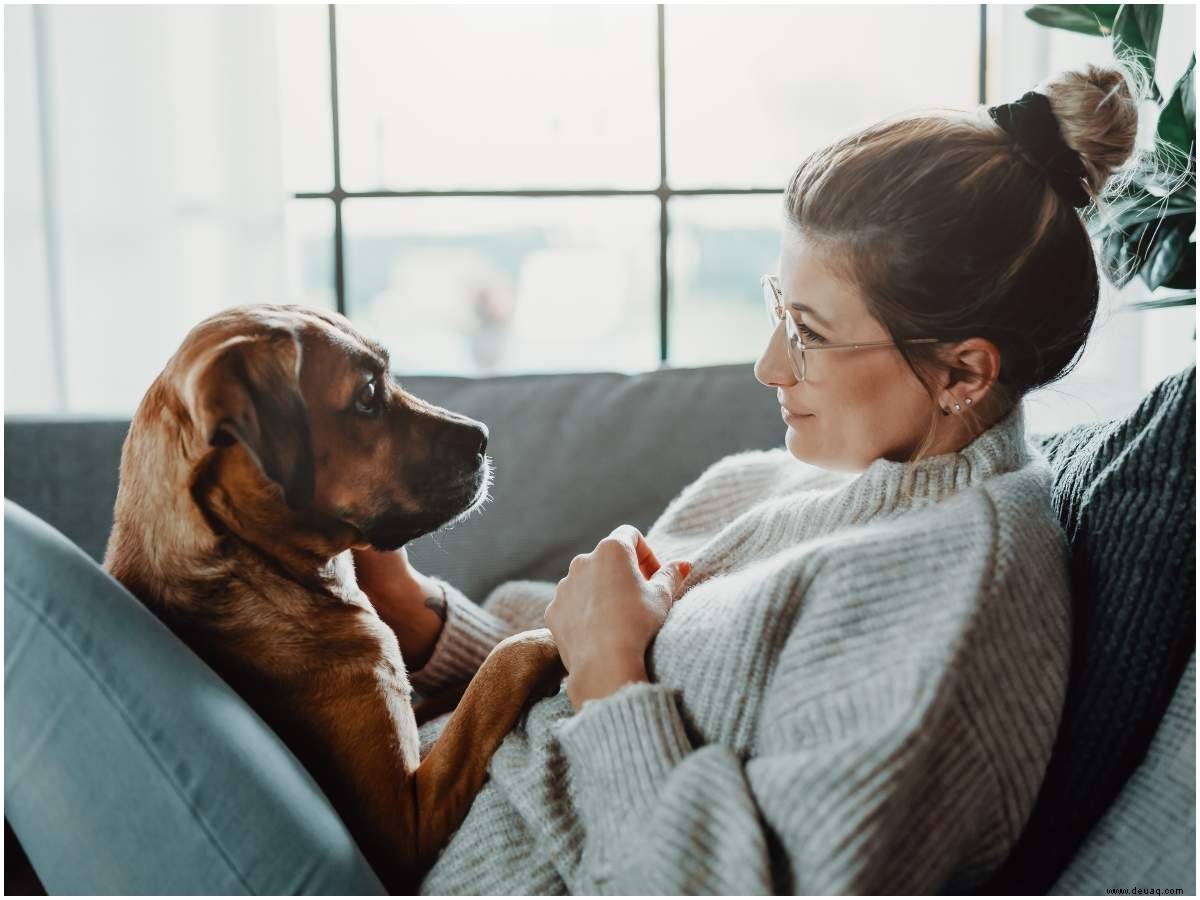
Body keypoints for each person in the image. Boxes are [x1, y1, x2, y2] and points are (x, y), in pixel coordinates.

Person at [352, 63, 1146, 894]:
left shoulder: (954, 598)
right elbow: (561, 672)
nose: (769, 366)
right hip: (413, 792)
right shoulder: (769, 484)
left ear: (965, 373)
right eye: (777, 307)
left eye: (805, 331)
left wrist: (611, 675)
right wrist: (426, 624)